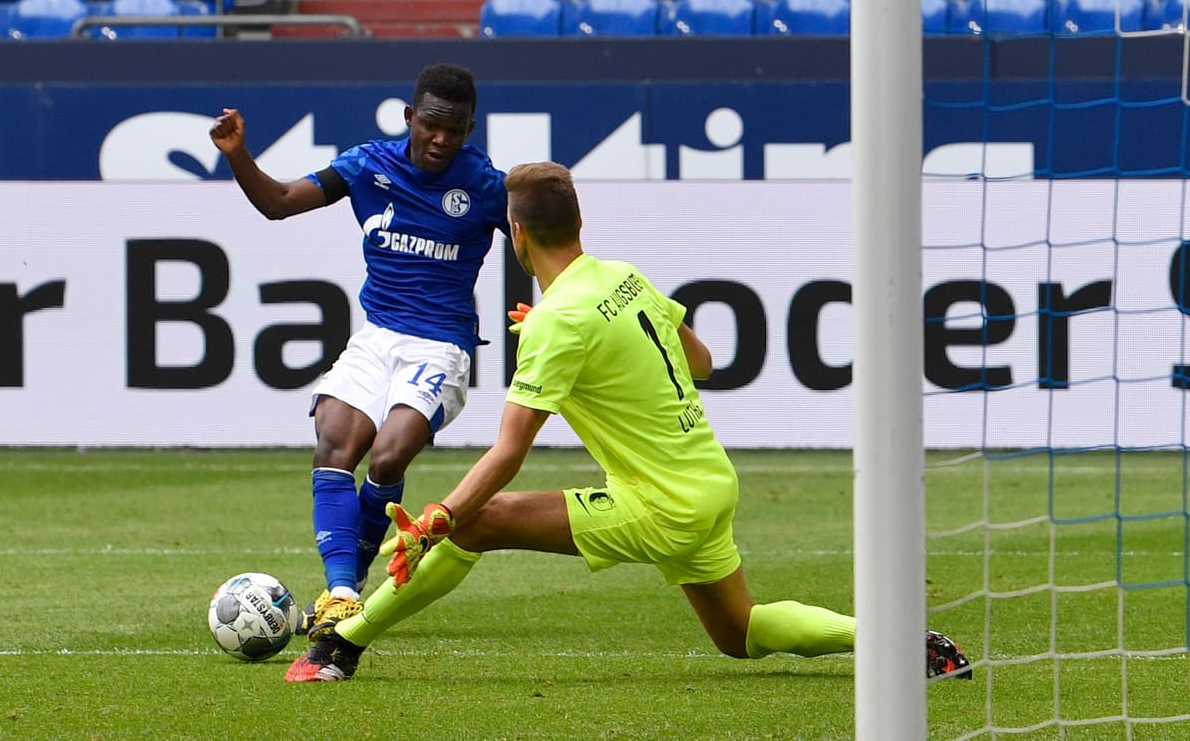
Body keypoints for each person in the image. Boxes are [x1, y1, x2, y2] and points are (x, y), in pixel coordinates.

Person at [284, 160, 973, 684]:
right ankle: (891, 636)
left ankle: (341, 644)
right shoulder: (619, 275)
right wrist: (583, 345)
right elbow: (701, 360)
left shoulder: (559, 322)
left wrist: (440, 514)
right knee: (740, 636)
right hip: (708, 481)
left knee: (479, 520)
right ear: (578, 224)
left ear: (516, 235)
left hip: (662, 503)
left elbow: (507, 452)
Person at [208, 63, 510, 669]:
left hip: (440, 347)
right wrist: (239, 155)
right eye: (430, 125)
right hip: (376, 339)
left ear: (470, 129)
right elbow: (280, 202)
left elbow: (541, 243)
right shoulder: (369, 164)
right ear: (409, 118)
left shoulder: (487, 185)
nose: (440, 140)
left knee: (390, 454)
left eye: (454, 130)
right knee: (335, 445)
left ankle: (357, 572)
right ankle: (344, 592)